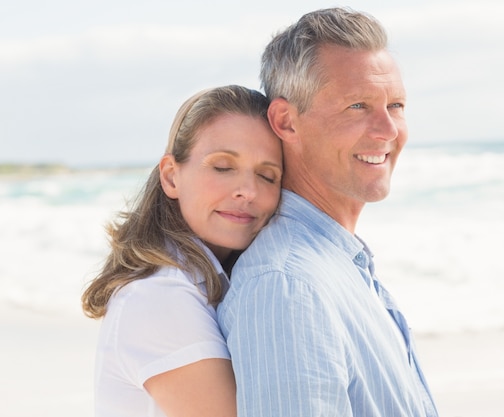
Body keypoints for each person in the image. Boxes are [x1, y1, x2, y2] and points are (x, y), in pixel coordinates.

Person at [217, 7, 439, 417]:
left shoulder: (336, 263)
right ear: (286, 121)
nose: (388, 130)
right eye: (357, 106)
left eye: (396, 105)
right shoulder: (286, 288)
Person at [81, 85, 283, 417]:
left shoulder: (214, 281)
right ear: (172, 177)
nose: (248, 191)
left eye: (267, 175)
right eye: (222, 167)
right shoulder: (159, 296)